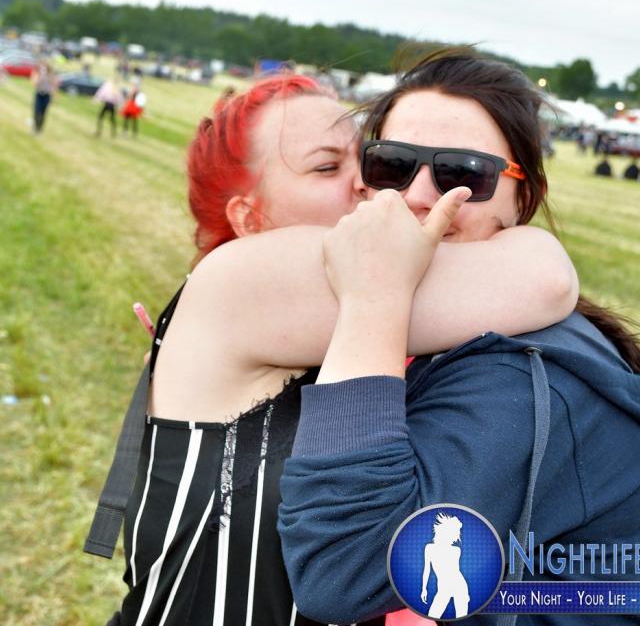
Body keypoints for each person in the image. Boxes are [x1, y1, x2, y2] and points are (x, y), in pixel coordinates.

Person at [94, 73, 579, 626]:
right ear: (249, 217)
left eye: (370, 159)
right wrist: (525, 232)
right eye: (327, 167)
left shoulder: (310, 308)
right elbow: (542, 279)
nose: (373, 188)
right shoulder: (242, 279)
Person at [277, 50, 640, 626]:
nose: (419, 195)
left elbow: (341, 568)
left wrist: (374, 296)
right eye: (393, 163)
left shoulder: (517, 375)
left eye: (464, 173)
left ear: (525, 198)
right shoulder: (455, 326)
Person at [31, 60, 57, 134]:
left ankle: (40, 128)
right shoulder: (38, 74)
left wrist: (54, 97)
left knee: (43, 112)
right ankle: (35, 127)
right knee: (37, 111)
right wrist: (40, 77)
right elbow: (34, 84)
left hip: (47, 95)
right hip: (39, 94)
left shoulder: (51, 74)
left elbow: (54, 85)